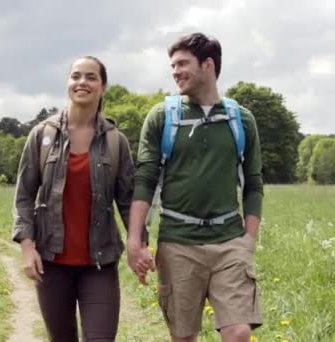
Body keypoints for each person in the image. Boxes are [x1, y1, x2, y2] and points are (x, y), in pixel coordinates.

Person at [127, 33, 264, 342]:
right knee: (183, 336)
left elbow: (254, 184)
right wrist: (135, 240)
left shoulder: (241, 120)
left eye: (182, 64)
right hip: (178, 242)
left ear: (208, 64)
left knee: (239, 331)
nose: (175, 71)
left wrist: (248, 240)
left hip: (229, 241)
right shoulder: (162, 117)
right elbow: (145, 179)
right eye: (172, 65)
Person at [12, 56, 146, 342]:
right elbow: (24, 195)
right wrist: (26, 247)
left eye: (90, 77)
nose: (81, 82)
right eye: (75, 76)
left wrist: (139, 245)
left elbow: (128, 201)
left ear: (103, 86)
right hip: (51, 263)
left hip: (99, 265)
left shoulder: (115, 141)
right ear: (68, 83)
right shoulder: (42, 135)